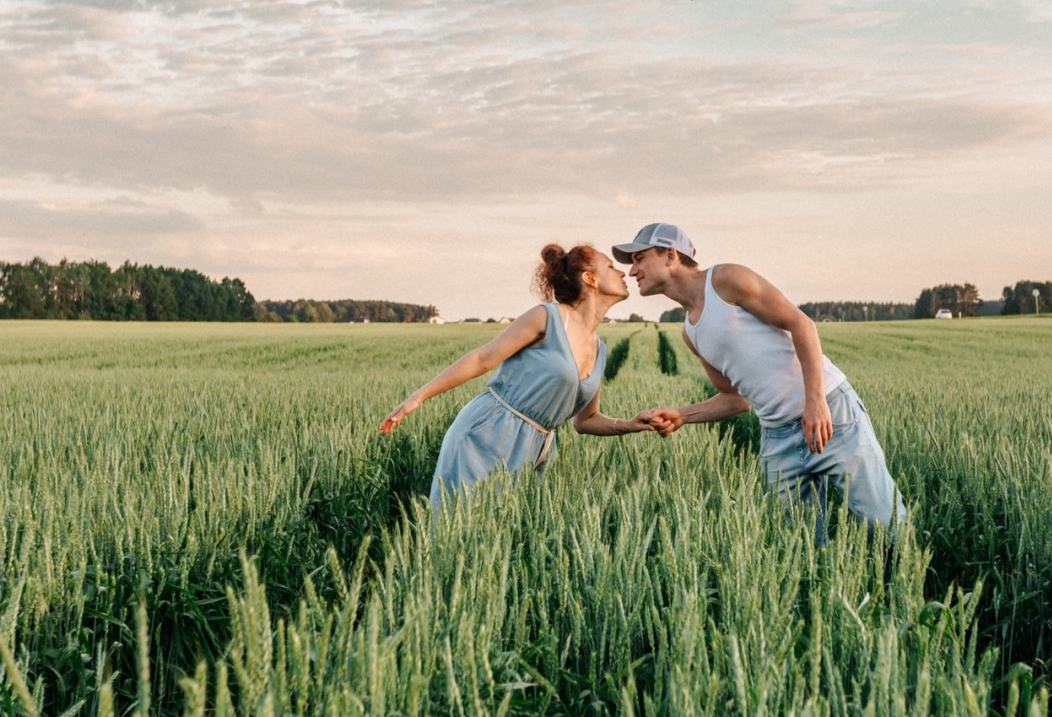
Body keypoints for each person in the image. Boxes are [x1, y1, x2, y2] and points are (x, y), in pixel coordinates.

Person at [615, 222, 905, 544]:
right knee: (799, 548)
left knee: (886, 527)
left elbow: (801, 324)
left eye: (639, 258)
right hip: (778, 438)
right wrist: (683, 415)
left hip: (830, 414)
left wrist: (815, 402)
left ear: (670, 255)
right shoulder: (690, 333)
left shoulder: (726, 280)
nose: (632, 271)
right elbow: (736, 398)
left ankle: (905, 590)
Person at [381, 244, 654, 506]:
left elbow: (586, 421)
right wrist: (419, 397)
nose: (623, 272)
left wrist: (630, 424)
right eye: (610, 266)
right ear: (590, 278)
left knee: (502, 543)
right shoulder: (547, 317)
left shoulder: (599, 349)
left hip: (535, 451)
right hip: (487, 436)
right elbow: (482, 358)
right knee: (460, 535)